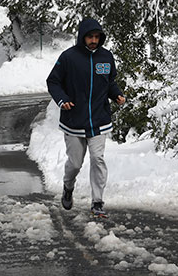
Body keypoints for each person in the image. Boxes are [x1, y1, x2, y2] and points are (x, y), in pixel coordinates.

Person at [46, 17, 125, 218]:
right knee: (75, 163)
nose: (93, 40)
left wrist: (116, 94)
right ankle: (68, 186)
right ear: (82, 37)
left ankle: (97, 202)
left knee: (97, 159)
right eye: (90, 37)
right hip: (74, 121)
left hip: (99, 119)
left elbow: (109, 82)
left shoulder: (106, 57)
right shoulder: (68, 58)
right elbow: (53, 82)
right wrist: (62, 99)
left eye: (97, 37)